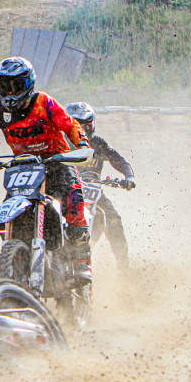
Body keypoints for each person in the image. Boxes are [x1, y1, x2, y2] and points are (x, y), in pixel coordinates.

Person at [0, 57, 93, 286]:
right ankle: (17, 261)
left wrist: (82, 144)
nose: (10, 92)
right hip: (24, 168)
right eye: (4, 86)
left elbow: (70, 124)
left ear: (28, 83)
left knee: (74, 204)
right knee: (6, 214)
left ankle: (81, 263)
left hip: (58, 163)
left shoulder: (44, 102)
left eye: (15, 85)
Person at [65, 102, 135, 269]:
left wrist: (129, 177)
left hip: (93, 191)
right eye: (75, 126)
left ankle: (123, 264)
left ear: (91, 125)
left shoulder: (97, 143)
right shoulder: (61, 144)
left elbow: (118, 160)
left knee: (113, 219)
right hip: (65, 189)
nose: (80, 131)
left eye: (83, 126)